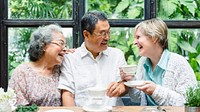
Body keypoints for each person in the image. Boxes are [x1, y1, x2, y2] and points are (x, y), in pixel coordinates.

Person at [120, 18, 198, 106]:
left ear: (154, 38)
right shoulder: (143, 62)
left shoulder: (178, 63)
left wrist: (155, 90)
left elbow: (188, 102)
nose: (134, 42)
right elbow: (137, 97)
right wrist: (130, 79)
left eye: (138, 37)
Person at [58, 10, 128, 107]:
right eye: (102, 33)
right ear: (86, 34)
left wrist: (121, 88)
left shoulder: (117, 55)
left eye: (108, 32)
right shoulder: (70, 58)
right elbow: (67, 94)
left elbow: (125, 83)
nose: (107, 37)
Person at [9, 24, 74, 106]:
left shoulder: (62, 68)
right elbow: (17, 106)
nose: (64, 49)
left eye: (65, 45)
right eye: (61, 43)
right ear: (43, 45)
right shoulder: (22, 72)